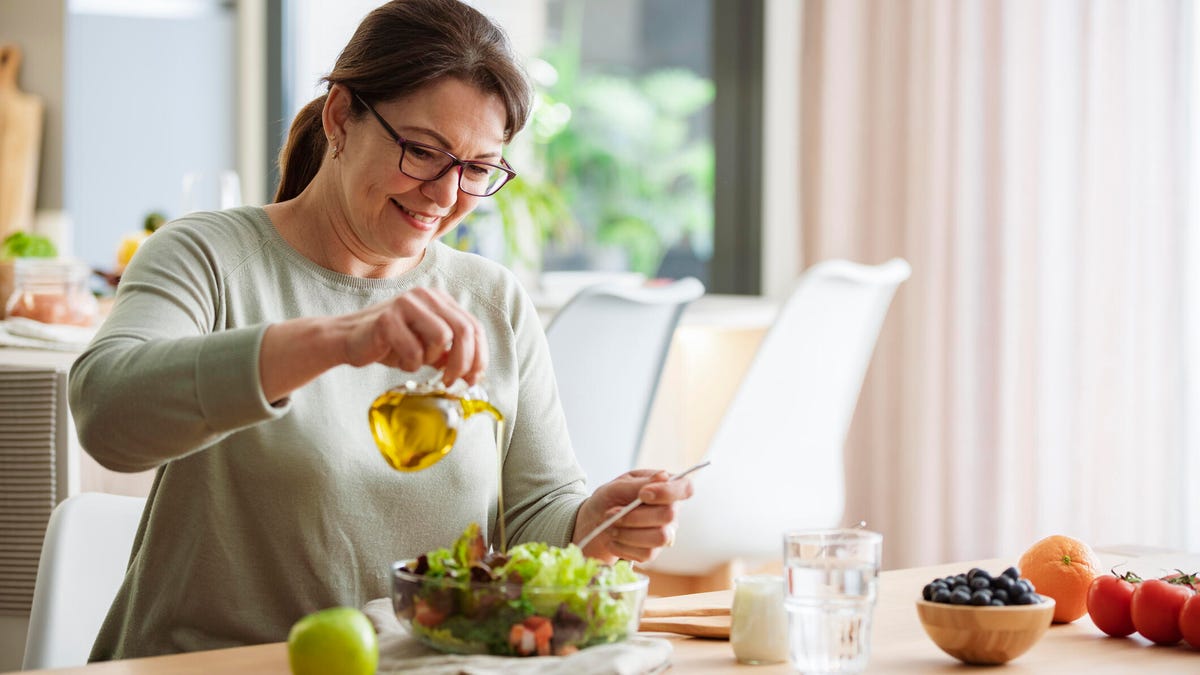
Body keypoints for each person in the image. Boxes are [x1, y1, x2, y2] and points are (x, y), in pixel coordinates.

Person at [69, 0, 694, 661]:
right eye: (423, 151)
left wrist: (591, 522)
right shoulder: (209, 255)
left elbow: (536, 510)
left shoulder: (492, 300)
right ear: (341, 116)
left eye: (477, 168)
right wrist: (337, 339)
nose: (446, 194)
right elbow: (108, 414)